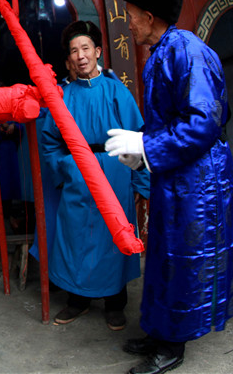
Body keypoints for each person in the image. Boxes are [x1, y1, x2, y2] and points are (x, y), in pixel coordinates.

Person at [104, 0, 233, 374]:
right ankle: (161, 331)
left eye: (130, 14)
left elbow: (204, 122)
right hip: (175, 175)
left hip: (198, 182)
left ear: (149, 16)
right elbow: (168, 122)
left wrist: (148, 147)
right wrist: (143, 151)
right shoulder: (161, 51)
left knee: (184, 258)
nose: (127, 23)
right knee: (165, 255)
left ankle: (173, 346)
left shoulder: (185, 49)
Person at [40, 21, 149, 332]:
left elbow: (139, 136)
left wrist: (140, 183)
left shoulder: (117, 91)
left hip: (115, 173)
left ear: (98, 52)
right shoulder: (64, 95)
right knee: (75, 237)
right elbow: (50, 140)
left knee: (115, 236)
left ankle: (116, 304)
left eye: (85, 48)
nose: (80, 56)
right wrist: (65, 169)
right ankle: (78, 300)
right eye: (74, 51)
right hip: (77, 173)